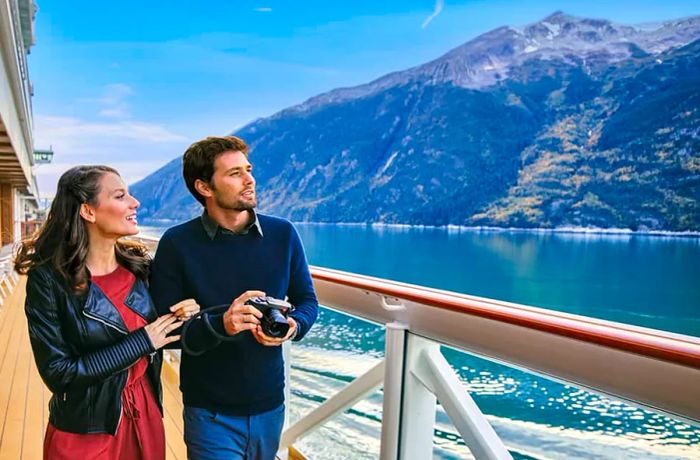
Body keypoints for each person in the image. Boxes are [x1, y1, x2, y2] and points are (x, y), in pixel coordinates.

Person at [149, 135, 319, 460]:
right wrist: (222, 324)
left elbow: (307, 302)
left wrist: (294, 326)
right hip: (209, 411)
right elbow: (165, 333)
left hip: (270, 405)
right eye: (234, 173)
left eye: (248, 169)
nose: (250, 179)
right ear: (205, 187)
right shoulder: (176, 244)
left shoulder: (283, 234)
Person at [15, 165, 200, 460]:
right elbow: (58, 373)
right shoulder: (49, 280)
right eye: (120, 196)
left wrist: (191, 315)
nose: (134, 202)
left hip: (145, 416)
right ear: (88, 212)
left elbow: (168, 336)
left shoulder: (142, 268)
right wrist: (141, 342)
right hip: (86, 429)